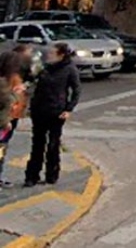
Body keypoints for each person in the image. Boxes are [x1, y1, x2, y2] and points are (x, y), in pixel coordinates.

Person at [24, 43, 80, 187]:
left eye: (52, 53)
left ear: (61, 55)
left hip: (56, 111)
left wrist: (68, 109)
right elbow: (32, 80)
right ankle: (32, 176)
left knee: (53, 144)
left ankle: (52, 174)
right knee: (37, 144)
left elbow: (76, 90)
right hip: (39, 109)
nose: (48, 55)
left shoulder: (69, 69)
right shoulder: (44, 68)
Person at [0, 47, 31, 187]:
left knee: (2, 148)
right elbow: (4, 102)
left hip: (12, 118)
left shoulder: (13, 78)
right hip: (4, 122)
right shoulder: (2, 82)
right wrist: (6, 121)